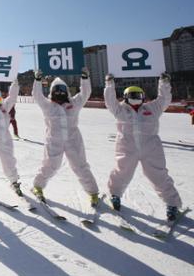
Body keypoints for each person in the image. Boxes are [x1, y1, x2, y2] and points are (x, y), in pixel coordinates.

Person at [104, 73, 182, 220]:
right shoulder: (120, 109)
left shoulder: (152, 108)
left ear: (143, 96)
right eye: (133, 95)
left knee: (159, 175)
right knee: (122, 172)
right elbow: (109, 101)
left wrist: (164, 83)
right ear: (126, 97)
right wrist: (109, 84)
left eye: (139, 95)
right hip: (127, 148)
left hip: (151, 148)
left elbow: (164, 99)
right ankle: (115, 195)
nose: (136, 98)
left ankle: (172, 204)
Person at [31, 68, 99, 207]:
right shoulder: (48, 105)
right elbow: (37, 95)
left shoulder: (74, 103)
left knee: (80, 166)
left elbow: (85, 93)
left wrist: (85, 78)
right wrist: (37, 80)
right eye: (56, 89)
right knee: (50, 165)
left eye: (62, 89)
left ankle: (93, 193)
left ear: (66, 91)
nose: (59, 92)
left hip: (73, 140)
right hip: (54, 140)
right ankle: (38, 187)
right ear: (51, 91)